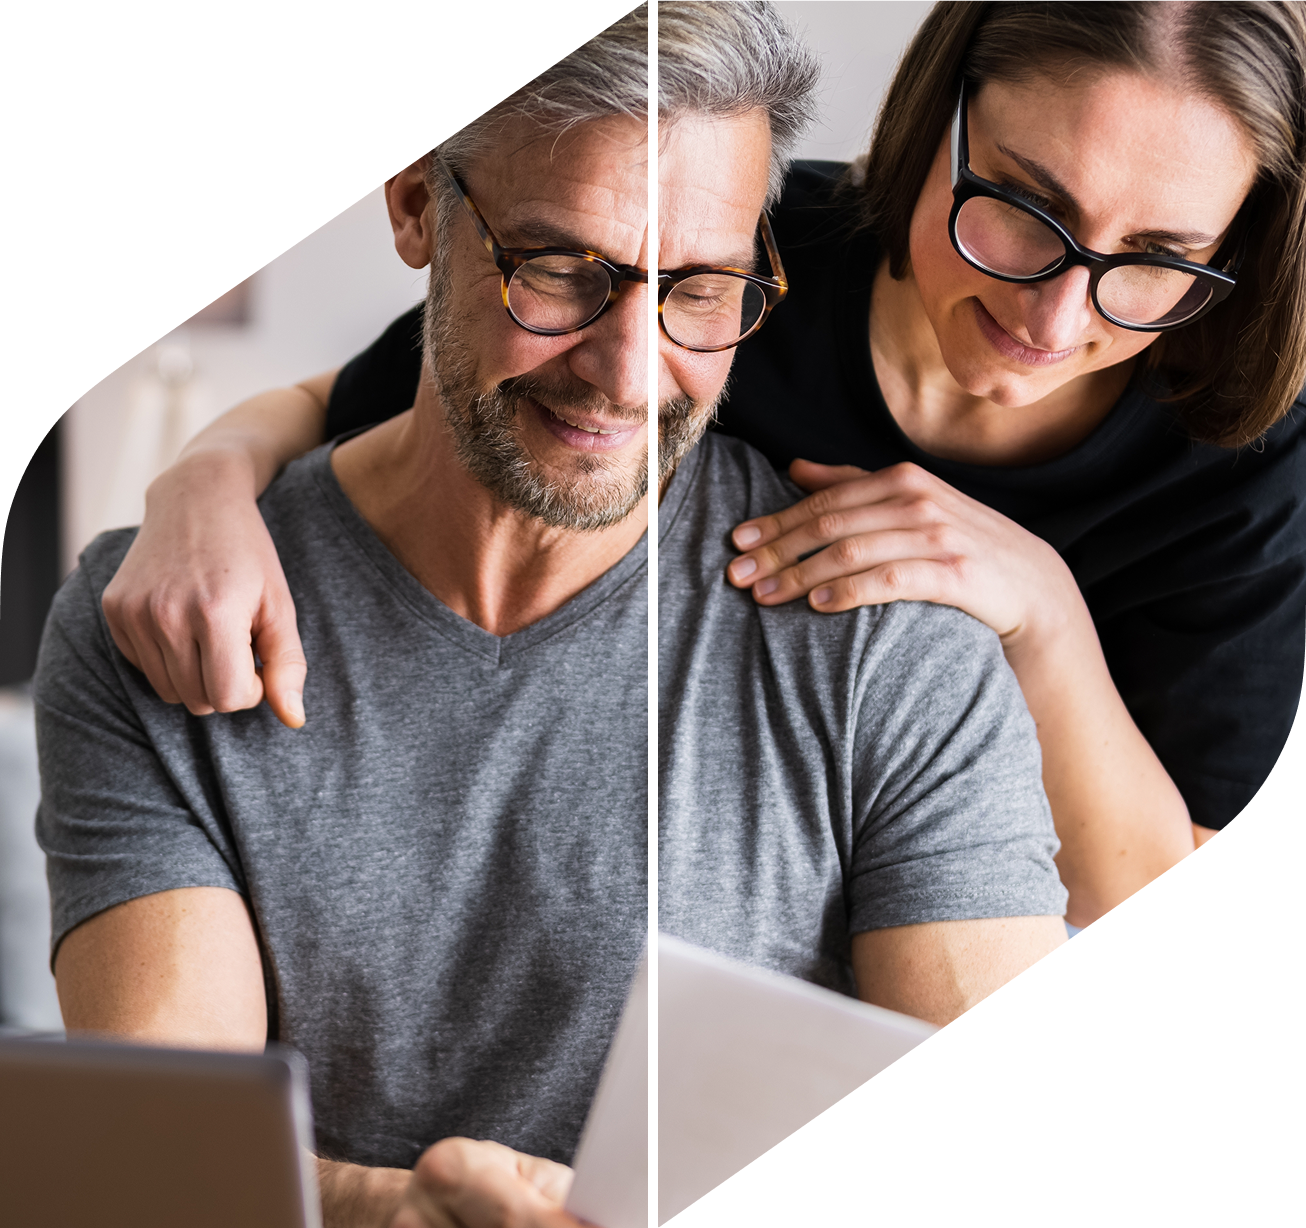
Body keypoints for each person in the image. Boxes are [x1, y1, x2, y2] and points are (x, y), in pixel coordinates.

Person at [38, 3, 1069, 1226]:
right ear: (417, 201)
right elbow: (171, 1180)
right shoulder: (158, 624)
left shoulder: (890, 648)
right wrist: (408, 1211)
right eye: (563, 269)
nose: (628, 371)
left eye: (700, 289)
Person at [105, 0, 1306, 931]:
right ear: (935, 114)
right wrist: (197, 486)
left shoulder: (1248, 447)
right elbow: (352, 402)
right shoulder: (717, 269)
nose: (1051, 320)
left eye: (1159, 260)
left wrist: (1041, 614)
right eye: (1023, 209)